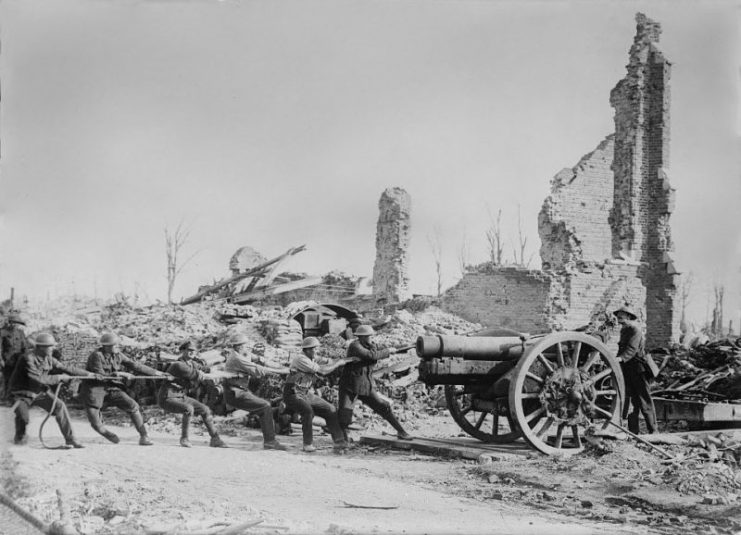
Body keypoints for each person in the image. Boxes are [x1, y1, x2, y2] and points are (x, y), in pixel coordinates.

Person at [80, 333, 168, 446]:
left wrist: (158, 373)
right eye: (114, 345)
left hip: (111, 388)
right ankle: (106, 433)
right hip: (94, 390)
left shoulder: (118, 355)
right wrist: (119, 373)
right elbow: (101, 376)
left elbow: (135, 366)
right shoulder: (96, 356)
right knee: (96, 425)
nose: (118, 347)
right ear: (106, 346)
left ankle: (144, 436)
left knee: (133, 406)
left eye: (118, 344)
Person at [9, 332, 94, 448]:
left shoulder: (48, 358)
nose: (53, 348)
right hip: (21, 394)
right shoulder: (27, 358)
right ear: (40, 347)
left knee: (60, 406)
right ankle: (20, 437)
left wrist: (89, 374)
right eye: (50, 346)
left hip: (38, 393)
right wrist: (59, 378)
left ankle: (71, 439)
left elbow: (65, 368)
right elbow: (38, 379)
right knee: (23, 418)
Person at [338, 325, 412, 441]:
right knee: (345, 415)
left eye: (371, 336)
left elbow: (381, 349)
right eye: (368, 336)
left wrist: (401, 348)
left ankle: (401, 432)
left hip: (365, 386)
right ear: (361, 337)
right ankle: (342, 439)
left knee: (383, 407)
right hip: (350, 386)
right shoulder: (355, 346)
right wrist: (387, 351)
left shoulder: (369, 345)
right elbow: (371, 356)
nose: (370, 338)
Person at [283, 337, 356, 452]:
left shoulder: (311, 357)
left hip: (305, 393)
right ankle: (307, 444)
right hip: (293, 393)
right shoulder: (301, 359)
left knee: (330, 409)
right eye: (314, 349)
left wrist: (346, 360)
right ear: (307, 350)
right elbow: (323, 371)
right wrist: (338, 364)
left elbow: (328, 361)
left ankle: (339, 441)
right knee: (308, 411)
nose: (316, 351)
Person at [223, 333, 289, 450]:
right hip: (235, 392)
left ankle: (269, 438)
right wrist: (282, 372)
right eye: (245, 345)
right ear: (238, 346)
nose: (247, 347)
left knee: (263, 407)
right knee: (265, 406)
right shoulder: (237, 358)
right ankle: (270, 441)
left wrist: (280, 365)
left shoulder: (242, 354)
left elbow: (260, 360)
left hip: (240, 390)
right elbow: (260, 369)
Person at [158, 340, 227, 448]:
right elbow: (194, 374)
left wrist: (220, 368)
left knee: (205, 410)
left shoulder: (192, 363)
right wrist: (206, 374)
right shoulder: (178, 365)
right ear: (183, 351)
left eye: (194, 351)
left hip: (181, 396)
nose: (192, 352)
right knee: (188, 409)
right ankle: (184, 439)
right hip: (168, 397)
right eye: (189, 350)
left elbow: (204, 369)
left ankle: (215, 439)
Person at [614, 305, 657, 435]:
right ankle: (633, 431)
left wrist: (620, 359)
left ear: (628, 316)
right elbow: (622, 349)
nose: (618, 317)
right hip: (627, 368)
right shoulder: (624, 330)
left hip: (638, 369)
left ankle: (654, 431)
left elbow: (632, 349)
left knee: (644, 399)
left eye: (622, 315)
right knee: (633, 400)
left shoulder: (635, 330)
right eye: (618, 315)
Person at [1, 313, 29, 402]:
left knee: (18, 379)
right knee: (8, 379)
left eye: (17, 323)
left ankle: (15, 398)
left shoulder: (20, 333)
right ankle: (7, 399)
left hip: (19, 361)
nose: (15, 325)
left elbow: (25, 347)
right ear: (10, 322)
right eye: (14, 323)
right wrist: (1, 360)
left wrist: (26, 359)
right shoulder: (2, 332)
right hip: (7, 361)